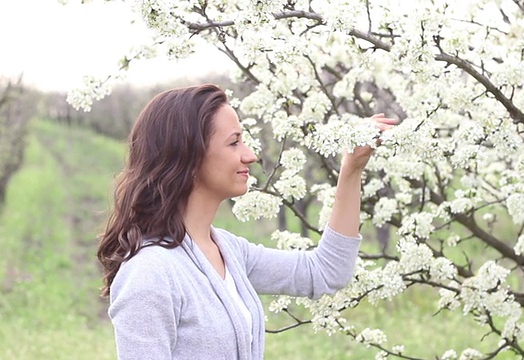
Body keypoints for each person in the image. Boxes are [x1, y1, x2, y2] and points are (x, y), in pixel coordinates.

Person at [97, 84, 397, 360]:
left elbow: (326, 272)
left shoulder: (229, 251)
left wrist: (351, 169)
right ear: (188, 154)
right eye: (234, 143)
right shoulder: (150, 272)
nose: (250, 155)